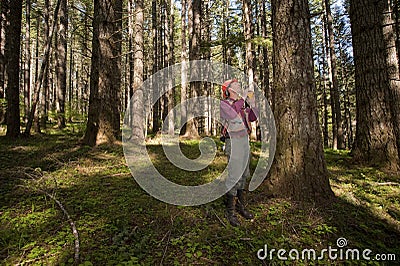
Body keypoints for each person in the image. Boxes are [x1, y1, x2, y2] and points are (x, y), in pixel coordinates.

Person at [220, 79, 258, 226]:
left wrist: (252, 104)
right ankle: (230, 212)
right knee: (234, 175)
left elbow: (253, 117)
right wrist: (243, 101)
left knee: (243, 174)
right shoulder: (224, 104)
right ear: (228, 90)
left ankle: (240, 206)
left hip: (244, 141)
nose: (238, 86)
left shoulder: (242, 103)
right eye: (234, 85)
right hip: (233, 141)